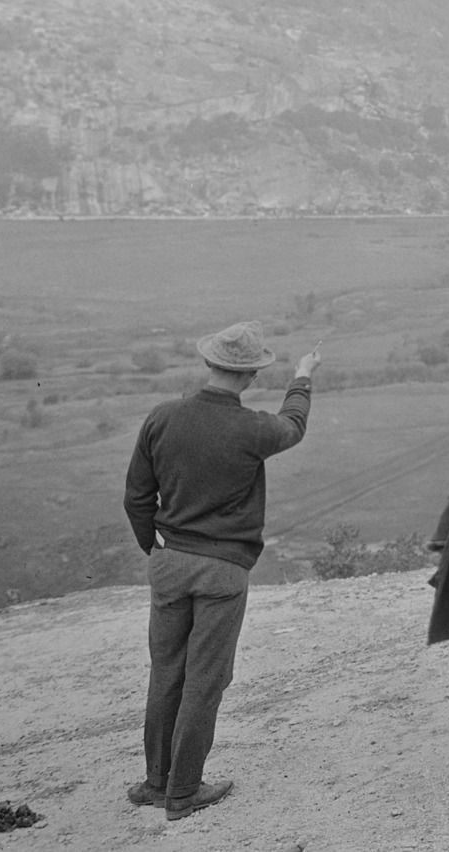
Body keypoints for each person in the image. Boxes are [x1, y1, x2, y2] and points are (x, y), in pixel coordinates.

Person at [122, 323, 318, 820]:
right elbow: (293, 425)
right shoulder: (253, 428)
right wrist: (302, 377)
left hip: (168, 563)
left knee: (165, 672)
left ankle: (155, 783)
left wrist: (158, 549)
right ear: (251, 374)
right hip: (222, 572)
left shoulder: (162, 417)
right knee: (204, 679)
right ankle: (183, 793)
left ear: (209, 363)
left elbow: (136, 498)